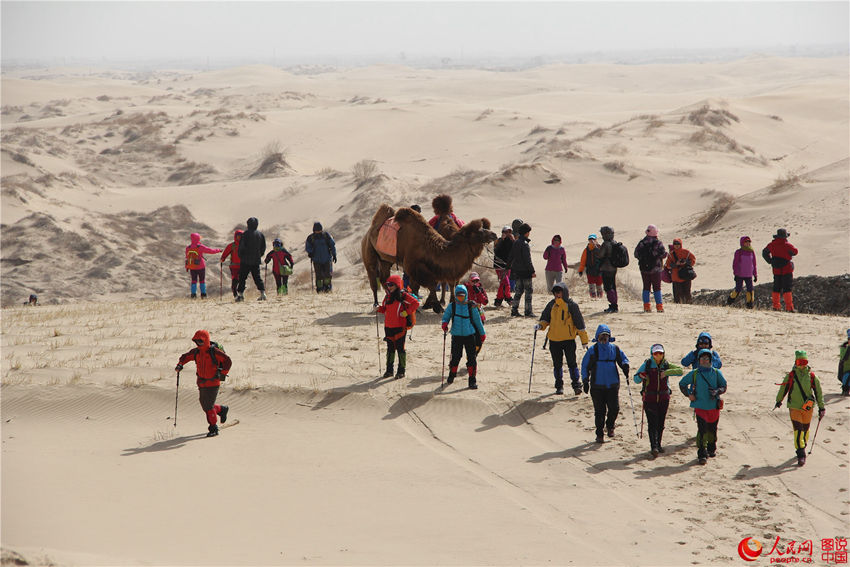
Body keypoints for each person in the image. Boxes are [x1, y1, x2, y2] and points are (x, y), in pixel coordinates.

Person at [175, 330, 232, 437]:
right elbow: (185, 357)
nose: (198, 344)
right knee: (204, 404)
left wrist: (223, 373)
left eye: (200, 341)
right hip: (201, 382)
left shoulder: (214, 352)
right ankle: (221, 409)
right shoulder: (196, 352)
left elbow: (227, 361)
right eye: (196, 341)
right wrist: (180, 365)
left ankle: (213, 428)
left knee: (208, 407)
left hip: (213, 382)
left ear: (205, 340)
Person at [537, 282, 589, 395]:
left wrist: (584, 341)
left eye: (559, 292)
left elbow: (580, 324)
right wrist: (540, 326)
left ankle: (576, 385)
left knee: (572, 363)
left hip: (568, 340)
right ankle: (559, 386)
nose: (557, 294)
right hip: (554, 340)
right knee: (557, 364)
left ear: (564, 292)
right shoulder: (551, 305)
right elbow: (545, 319)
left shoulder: (571, 305)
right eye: (555, 292)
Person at [774, 350, 825, 466]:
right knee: (798, 431)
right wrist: (778, 400)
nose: (802, 364)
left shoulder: (812, 377)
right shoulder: (790, 376)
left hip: (808, 408)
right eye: (799, 361)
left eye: (804, 361)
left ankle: (803, 445)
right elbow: (783, 389)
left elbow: (819, 393)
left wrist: (822, 407)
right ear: (795, 362)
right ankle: (801, 454)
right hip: (794, 407)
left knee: (805, 430)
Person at [581, 324, 630, 443]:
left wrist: (625, 366)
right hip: (597, 386)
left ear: (609, 337)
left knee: (614, 408)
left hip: (612, 385)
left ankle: (610, 426)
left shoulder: (615, 349)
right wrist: (585, 380)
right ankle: (599, 434)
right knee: (599, 411)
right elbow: (584, 366)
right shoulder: (593, 351)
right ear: (597, 337)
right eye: (601, 336)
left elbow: (623, 359)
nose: (604, 339)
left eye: (606, 336)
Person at [679, 349, 727, 465]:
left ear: (711, 360)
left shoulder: (716, 373)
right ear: (699, 360)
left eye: (707, 358)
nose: (705, 361)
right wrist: (688, 395)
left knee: (712, 429)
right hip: (700, 407)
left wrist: (716, 391)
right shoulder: (695, 373)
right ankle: (702, 453)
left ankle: (711, 448)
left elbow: (724, 386)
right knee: (702, 430)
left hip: (714, 408)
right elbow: (682, 384)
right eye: (702, 358)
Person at [634, 344, 683, 457]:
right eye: (656, 354)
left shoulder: (666, 364)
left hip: (663, 398)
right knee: (652, 423)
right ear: (652, 354)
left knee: (661, 423)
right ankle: (654, 446)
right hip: (649, 398)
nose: (658, 356)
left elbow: (680, 371)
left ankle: (658, 445)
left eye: (660, 353)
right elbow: (635, 379)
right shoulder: (647, 364)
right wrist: (641, 376)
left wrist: (666, 373)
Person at [441, 284, 486, 389]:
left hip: (470, 335)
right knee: (456, 357)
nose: (460, 298)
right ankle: (452, 375)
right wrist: (444, 323)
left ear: (466, 295)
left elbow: (477, 321)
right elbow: (446, 316)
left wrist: (482, 333)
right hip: (456, 336)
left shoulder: (471, 306)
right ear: (455, 295)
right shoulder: (452, 306)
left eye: (462, 295)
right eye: (458, 295)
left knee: (471, 358)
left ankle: (472, 380)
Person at [377, 275, 420, 379]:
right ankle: (389, 371)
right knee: (390, 349)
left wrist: (406, 312)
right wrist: (379, 309)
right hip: (388, 327)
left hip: (400, 327)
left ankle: (401, 371)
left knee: (400, 349)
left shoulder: (403, 295)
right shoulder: (387, 296)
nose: (389, 287)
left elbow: (416, 303)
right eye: (387, 285)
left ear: (396, 285)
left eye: (391, 285)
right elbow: (385, 309)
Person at [762, 228, 798, 312]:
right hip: (787, 270)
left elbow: (764, 252)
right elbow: (795, 252)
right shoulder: (787, 245)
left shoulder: (772, 244)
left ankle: (776, 306)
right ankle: (789, 308)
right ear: (785, 236)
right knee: (787, 288)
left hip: (776, 270)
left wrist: (770, 261)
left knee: (776, 287)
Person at [634, 224, 667, 313]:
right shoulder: (658, 243)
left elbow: (636, 254)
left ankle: (646, 307)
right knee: (657, 288)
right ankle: (659, 307)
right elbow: (663, 254)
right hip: (656, 269)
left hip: (644, 269)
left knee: (646, 287)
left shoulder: (642, 243)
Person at [236, 217, 266, 302]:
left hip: (245, 260)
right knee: (257, 277)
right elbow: (263, 248)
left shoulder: (245, 234)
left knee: (242, 278)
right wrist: (259, 255)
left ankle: (240, 295)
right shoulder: (260, 234)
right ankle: (263, 294)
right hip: (256, 260)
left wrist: (241, 256)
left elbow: (241, 247)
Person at [509, 223, 536, 317]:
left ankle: (514, 310)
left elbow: (511, 256)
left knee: (518, 292)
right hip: (526, 272)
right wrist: (532, 271)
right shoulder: (524, 244)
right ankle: (528, 312)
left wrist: (508, 266)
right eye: (528, 232)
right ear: (526, 232)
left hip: (517, 271)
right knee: (528, 292)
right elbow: (527, 259)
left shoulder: (516, 242)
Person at [185, 232, 222, 299]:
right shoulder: (200, 247)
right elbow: (211, 251)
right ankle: (203, 295)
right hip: (201, 267)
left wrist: (187, 267)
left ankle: (193, 295)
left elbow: (187, 258)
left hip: (192, 267)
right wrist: (218, 250)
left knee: (194, 281)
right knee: (202, 280)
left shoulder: (188, 248)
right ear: (198, 238)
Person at [727, 235, 758, 308]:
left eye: (749, 242)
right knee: (738, 289)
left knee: (750, 290)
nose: (748, 243)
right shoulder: (738, 252)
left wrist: (755, 274)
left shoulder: (751, 252)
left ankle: (750, 305)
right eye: (746, 242)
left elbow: (754, 263)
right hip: (740, 275)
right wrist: (736, 274)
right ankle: (729, 301)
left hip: (749, 275)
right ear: (742, 243)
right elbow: (735, 264)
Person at [305, 222, 336, 293]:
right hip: (316, 260)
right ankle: (319, 289)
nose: (318, 232)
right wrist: (310, 253)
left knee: (327, 275)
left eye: (319, 230)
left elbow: (332, 245)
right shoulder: (311, 238)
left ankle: (327, 288)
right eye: (317, 230)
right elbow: (308, 247)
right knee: (319, 276)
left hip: (327, 259)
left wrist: (334, 254)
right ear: (314, 230)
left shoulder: (326, 235)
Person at [665, 238, 696, 304]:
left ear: (681, 244)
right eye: (675, 244)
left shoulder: (686, 252)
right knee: (677, 295)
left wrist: (685, 262)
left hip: (686, 275)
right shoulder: (671, 254)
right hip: (676, 277)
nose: (676, 245)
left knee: (687, 293)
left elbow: (693, 260)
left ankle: (689, 305)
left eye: (678, 244)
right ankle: (678, 307)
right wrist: (676, 264)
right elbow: (668, 265)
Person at [597, 226, 620, 313]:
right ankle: (614, 304)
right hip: (614, 268)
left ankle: (613, 305)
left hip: (606, 268)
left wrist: (598, 249)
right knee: (613, 286)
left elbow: (600, 255)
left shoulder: (606, 244)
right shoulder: (614, 242)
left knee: (608, 287)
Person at [493, 226, 514, 307]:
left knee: (503, 283)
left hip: (508, 266)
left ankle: (498, 300)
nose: (508, 233)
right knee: (506, 282)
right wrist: (502, 240)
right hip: (499, 265)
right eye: (506, 232)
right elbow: (496, 250)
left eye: (509, 232)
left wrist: (513, 240)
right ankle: (509, 298)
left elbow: (514, 250)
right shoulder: (498, 240)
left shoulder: (511, 241)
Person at [578, 234, 603, 299]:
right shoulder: (586, 250)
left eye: (593, 239)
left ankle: (600, 297)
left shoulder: (600, 248)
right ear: (588, 241)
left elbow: (604, 259)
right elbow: (583, 261)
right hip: (590, 270)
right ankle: (593, 297)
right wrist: (580, 270)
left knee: (599, 285)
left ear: (596, 240)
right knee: (591, 285)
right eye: (590, 239)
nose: (592, 241)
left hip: (599, 270)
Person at [220, 230, 243, 299]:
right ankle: (236, 295)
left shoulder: (245, 245)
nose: (239, 238)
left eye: (241, 236)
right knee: (235, 281)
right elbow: (225, 253)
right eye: (238, 236)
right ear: (235, 237)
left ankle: (240, 294)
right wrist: (222, 258)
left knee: (241, 281)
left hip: (243, 266)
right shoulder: (232, 245)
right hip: (234, 267)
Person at [838, 329, 850, 396]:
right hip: (845, 371)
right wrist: (849, 348)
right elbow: (843, 357)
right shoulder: (844, 348)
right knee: (847, 377)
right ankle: (845, 390)